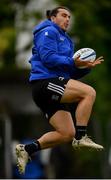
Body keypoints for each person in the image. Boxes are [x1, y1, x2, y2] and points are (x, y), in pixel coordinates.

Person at [15, 6, 104, 174]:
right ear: (52, 18)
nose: (67, 19)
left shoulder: (68, 40)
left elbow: (69, 72)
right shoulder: (48, 31)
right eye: (63, 15)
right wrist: (73, 62)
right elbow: (48, 58)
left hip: (52, 85)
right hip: (44, 83)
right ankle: (81, 137)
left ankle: (27, 149)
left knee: (66, 133)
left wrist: (84, 67)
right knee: (89, 92)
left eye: (69, 16)